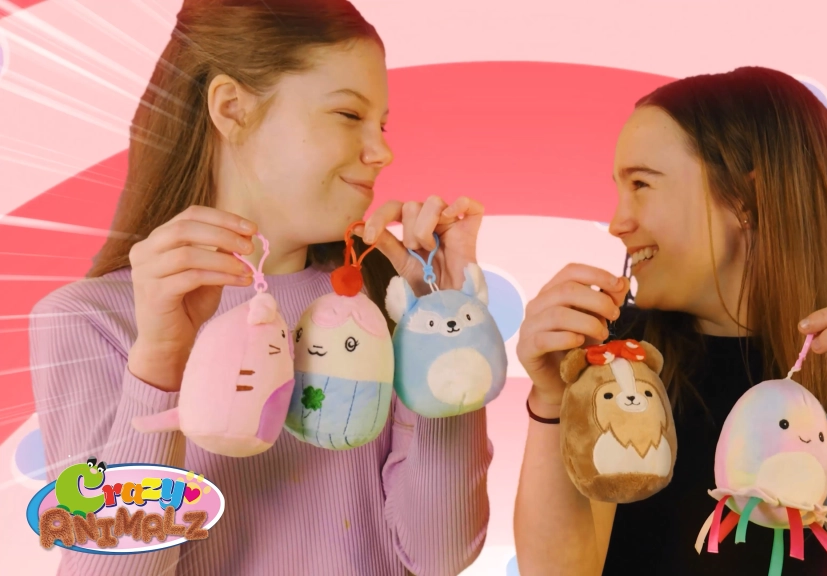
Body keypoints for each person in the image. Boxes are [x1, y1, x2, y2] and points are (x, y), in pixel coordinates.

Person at [29, 1, 491, 575]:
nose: (382, 152)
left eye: (382, 125)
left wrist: (445, 337)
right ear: (232, 108)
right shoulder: (91, 321)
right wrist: (160, 367)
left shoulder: (386, 308)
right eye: (348, 114)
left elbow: (440, 554)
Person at [513, 66, 827, 575]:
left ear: (746, 197)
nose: (617, 222)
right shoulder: (620, 362)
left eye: (641, 184)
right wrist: (553, 400)